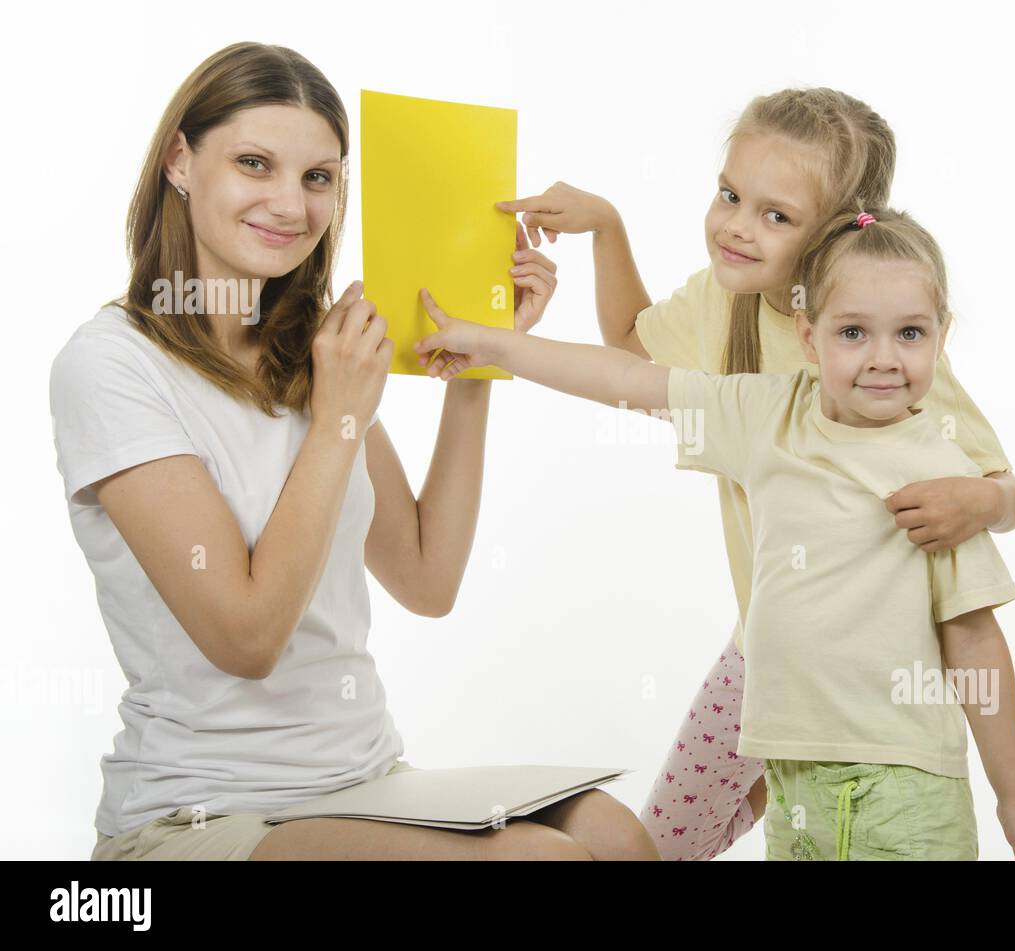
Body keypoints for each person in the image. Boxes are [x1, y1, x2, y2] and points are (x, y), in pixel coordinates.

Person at [50, 41, 656, 861]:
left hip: (365, 779)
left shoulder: (315, 349)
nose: (290, 205)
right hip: (206, 812)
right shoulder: (112, 363)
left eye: (318, 177)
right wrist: (338, 417)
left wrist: (479, 366)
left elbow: (426, 576)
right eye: (254, 163)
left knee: (613, 835)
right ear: (180, 161)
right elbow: (248, 638)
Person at [413, 204, 1015, 860]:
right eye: (854, 332)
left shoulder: (944, 473)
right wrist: (492, 345)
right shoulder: (766, 417)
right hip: (794, 783)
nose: (883, 359)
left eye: (910, 334)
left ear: (941, 336)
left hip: (905, 791)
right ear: (810, 337)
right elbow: (628, 380)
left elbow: (976, 641)